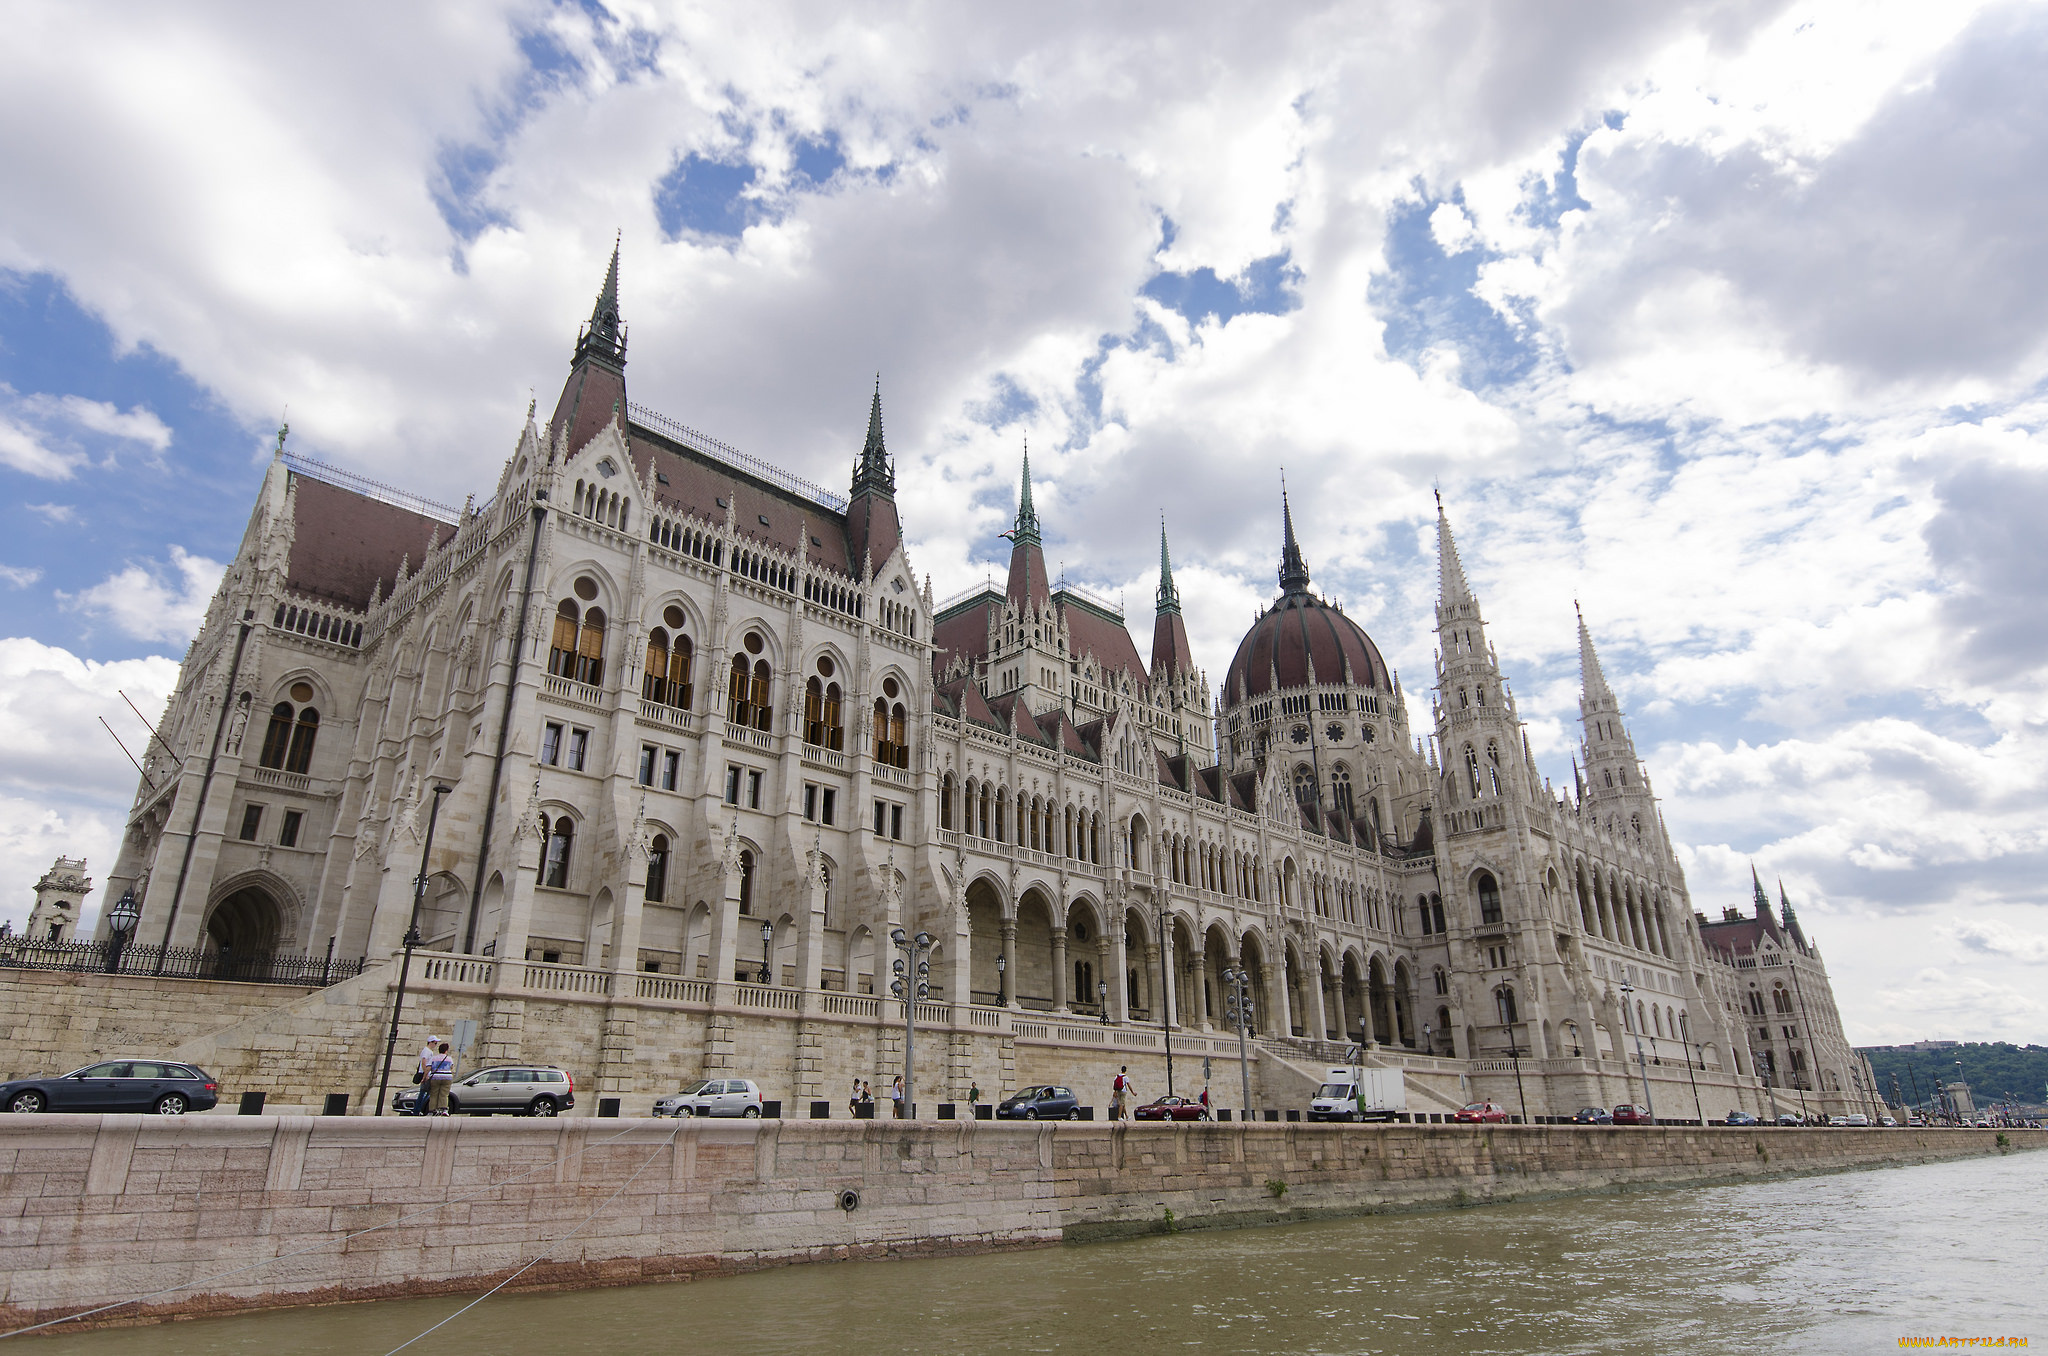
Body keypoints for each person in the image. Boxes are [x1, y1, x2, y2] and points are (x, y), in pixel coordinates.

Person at [412, 1034, 441, 1115]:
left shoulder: (429, 1051)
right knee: (424, 1093)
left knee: (425, 1092)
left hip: (426, 1073)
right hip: (425, 1074)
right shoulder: (426, 1051)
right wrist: (426, 1074)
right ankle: (418, 1109)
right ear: (430, 1042)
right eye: (435, 1043)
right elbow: (424, 1062)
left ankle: (419, 1109)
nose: (435, 1045)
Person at [425, 1042, 456, 1116]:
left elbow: (428, 1067)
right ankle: (443, 1109)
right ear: (446, 1050)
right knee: (444, 1094)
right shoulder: (449, 1059)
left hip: (435, 1077)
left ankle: (432, 1110)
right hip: (447, 1078)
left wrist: (425, 1077)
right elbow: (452, 1068)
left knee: (434, 1094)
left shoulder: (434, 1058)